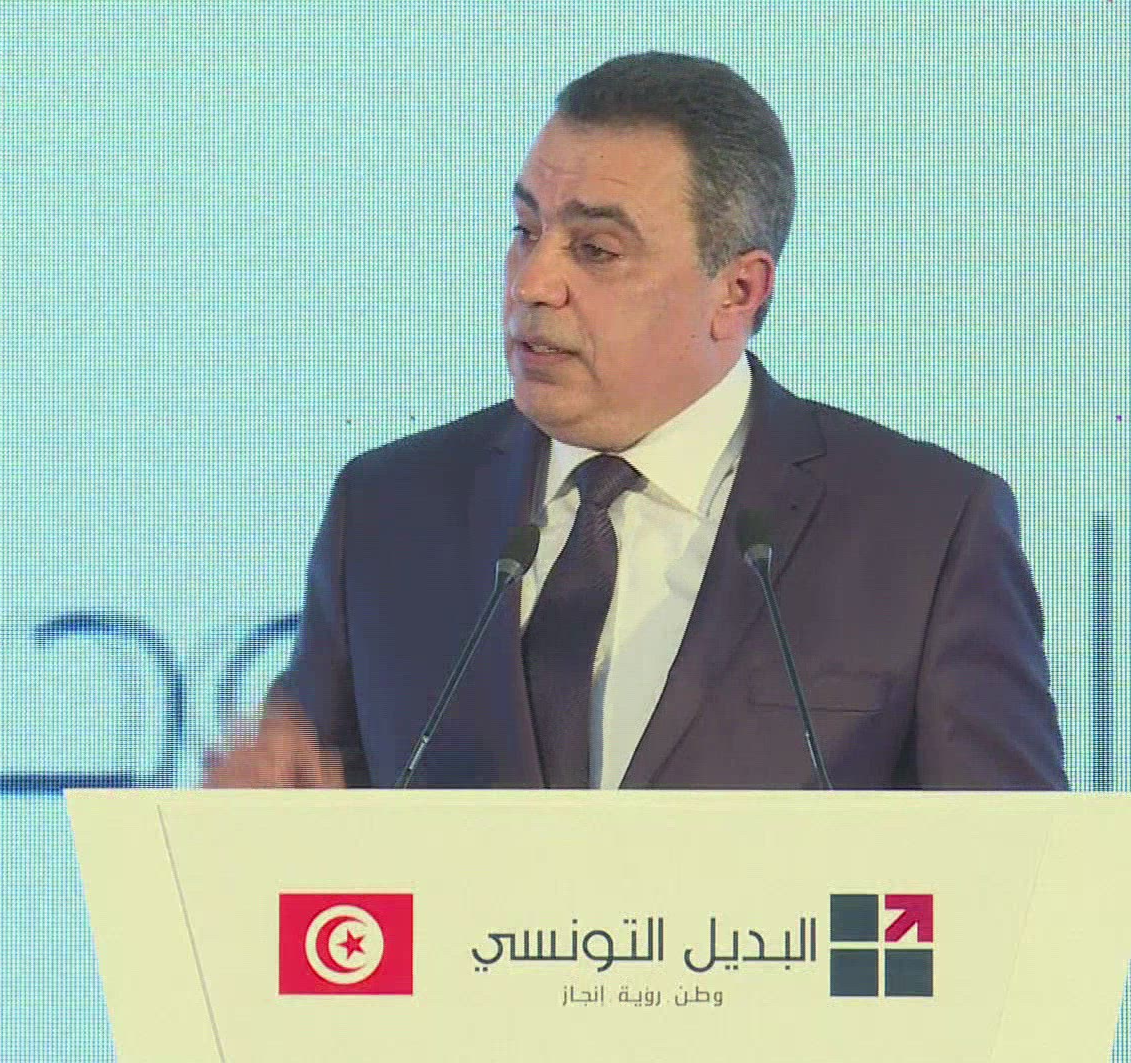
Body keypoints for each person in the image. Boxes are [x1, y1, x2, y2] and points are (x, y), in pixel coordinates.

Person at [203, 52, 1066, 791]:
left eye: (595, 250)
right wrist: (255, 834)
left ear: (738, 292)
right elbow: (314, 847)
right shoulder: (390, 510)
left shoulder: (925, 531)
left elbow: (1020, 881)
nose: (532, 283)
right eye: (525, 229)